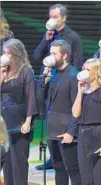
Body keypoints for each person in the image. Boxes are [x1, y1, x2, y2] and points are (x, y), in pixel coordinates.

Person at [38, 40, 81, 185]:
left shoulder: (74, 75)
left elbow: (78, 107)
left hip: (66, 131)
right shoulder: (52, 73)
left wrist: (71, 131)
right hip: (52, 128)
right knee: (58, 167)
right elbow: (41, 98)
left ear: (64, 55)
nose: (50, 56)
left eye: (54, 53)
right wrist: (44, 80)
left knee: (73, 169)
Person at [1, 38, 38, 185]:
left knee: (19, 162)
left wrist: (28, 120)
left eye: (8, 53)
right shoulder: (3, 71)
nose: (5, 56)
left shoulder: (25, 71)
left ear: (16, 55)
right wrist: (2, 76)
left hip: (20, 122)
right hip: (4, 123)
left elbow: (31, 97)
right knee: (7, 162)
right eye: (4, 52)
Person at [72, 58, 101, 185]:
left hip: (98, 134)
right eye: (83, 69)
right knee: (86, 175)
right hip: (83, 134)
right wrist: (79, 92)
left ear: (96, 73)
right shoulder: (83, 92)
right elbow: (75, 114)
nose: (84, 72)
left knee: (99, 175)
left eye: (88, 70)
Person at [34, 4, 84, 70]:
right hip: (48, 74)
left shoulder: (73, 37)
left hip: (64, 76)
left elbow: (77, 63)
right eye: (50, 17)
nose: (52, 19)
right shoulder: (48, 34)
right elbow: (37, 56)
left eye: (55, 17)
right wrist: (45, 40)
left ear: (64, 18)